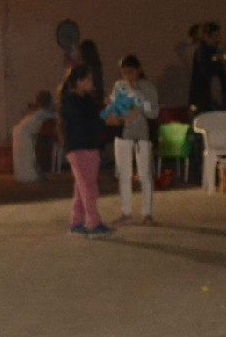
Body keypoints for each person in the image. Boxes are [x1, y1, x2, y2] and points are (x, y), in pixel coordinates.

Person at [60, 40, 113, 237]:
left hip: (90, 145)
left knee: (81, 186)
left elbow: (94, 119)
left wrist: (105, 120)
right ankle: (94, 223)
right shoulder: (70, 101)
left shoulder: (87, 99)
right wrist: (102, 121)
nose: (91, 82)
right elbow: (83, 122)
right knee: (88, 187)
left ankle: (76, 222)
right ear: (78, 81)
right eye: (88, 79)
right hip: (78, 147)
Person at [108, 54, 160, 224]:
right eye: (124, 72)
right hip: (123, 133)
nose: (127, 76)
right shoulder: (119, 86)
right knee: (124, 173)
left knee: (144, 174)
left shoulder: (148, 87)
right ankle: (126, 212)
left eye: (130, 72)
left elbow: (154, 113)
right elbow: (113, 108)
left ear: (138, 70)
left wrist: (142, 101)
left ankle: (147, 213)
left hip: (142, 135)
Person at [11, 91, 56, 182]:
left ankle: (24, 176)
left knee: (24, 156)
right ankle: (29, 177)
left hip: (19, 132)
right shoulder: (42, 112)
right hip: (24, 134)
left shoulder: (36, 111)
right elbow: (55, 115)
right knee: (27, 156)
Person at [187, 22, 226, 112]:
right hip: (204, 100)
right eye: (215, 36)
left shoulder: (214, 51)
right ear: (206, 36)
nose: (218, 39)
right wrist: (219, 63)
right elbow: (206, 73)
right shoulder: (202, 53)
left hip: (210, 99)